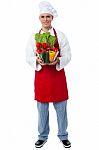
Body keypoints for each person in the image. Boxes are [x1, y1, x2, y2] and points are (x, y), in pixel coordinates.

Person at [26, 1, 71, 148]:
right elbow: (28, 57)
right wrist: (37, 60)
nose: (45, 19)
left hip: (57, 76)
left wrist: (57, 60)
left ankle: (63, 135)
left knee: (61, 109)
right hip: (42, 77)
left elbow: (68, 55)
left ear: (52, 18)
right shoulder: (33, 37)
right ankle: (42, 136)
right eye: (43, 17)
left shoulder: (61, 36)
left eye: (48, 16)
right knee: (42, 110)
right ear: (39, 18)